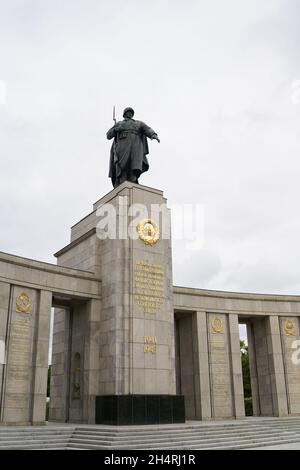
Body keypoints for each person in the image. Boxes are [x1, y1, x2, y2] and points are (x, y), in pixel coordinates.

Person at [107, 107, 160, 188]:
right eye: (128, 112)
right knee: (122, 166)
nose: (130, 114)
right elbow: (108, 135)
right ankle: (122, 181)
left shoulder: (138, 123)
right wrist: (116, 129)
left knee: (134, 165)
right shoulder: (119, 123)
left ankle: (133, 180)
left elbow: (147, 129)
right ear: (124, 114)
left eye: (131, 112)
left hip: (136, 146)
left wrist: (153, 135)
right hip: (123, 146)